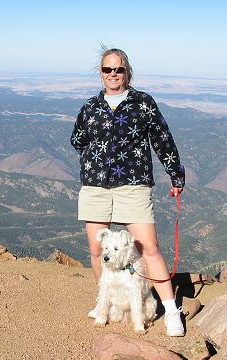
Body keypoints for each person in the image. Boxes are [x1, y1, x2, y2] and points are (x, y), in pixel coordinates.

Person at [70, 47, 186, 337]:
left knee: (149, 247)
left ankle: (171, 311)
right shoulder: (90, 106)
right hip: (95, 185)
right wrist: (96, 155)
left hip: (133, 183)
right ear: (101, 72)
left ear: (127, 72)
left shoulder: (142, 103)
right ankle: (105, 305)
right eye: (108, 69)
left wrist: (175, 173)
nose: (113, 74)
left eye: (118, 69)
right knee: (98, 250)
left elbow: (162, 138)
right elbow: (77, 139)